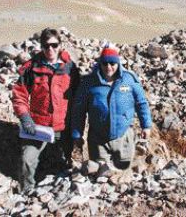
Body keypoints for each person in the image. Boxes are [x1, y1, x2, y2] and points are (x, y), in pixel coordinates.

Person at [12, 28, 79, 191]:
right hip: (38, 126)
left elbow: (79, 95)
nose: (50, 49)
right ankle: (27, 191)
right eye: (46, 46)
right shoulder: (31, 68)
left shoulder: (69, 67)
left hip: (64, 126)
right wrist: (25, 117)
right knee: (27, 160)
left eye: (54, 45)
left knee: (74, 161)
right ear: (41, 46)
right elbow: (19, 95)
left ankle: (72, 188)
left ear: (60, 46)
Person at [71, 43, 152, 171]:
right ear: (100, 63)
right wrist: (77, 134)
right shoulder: (88, 83)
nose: (108, 67)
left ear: (118, 63)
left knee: (122, 175)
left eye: (112, 63)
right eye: (105, 63)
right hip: (98, 140)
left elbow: (141, 103)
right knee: (100, 174)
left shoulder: (128, 79)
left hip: (123, 137)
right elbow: (78, 111)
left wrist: (146, 126)